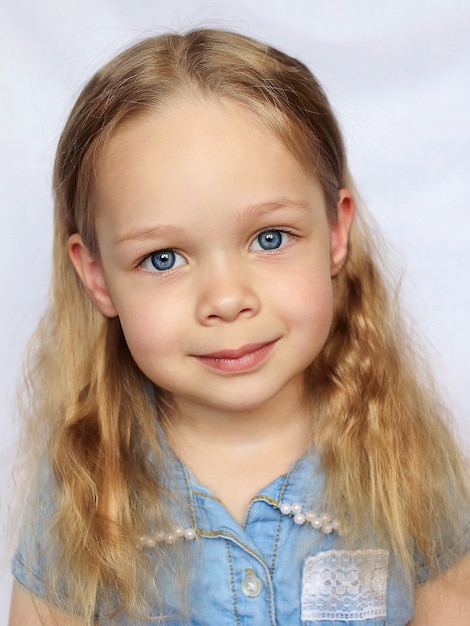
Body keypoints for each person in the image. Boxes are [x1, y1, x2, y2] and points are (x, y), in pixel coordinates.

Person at [8, 28, 470, 626]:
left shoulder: (401, 460)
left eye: (269, 238)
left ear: (335, 231)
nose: (226, 300)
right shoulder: (83, 489)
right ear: (96, 277)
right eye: (164, 258)